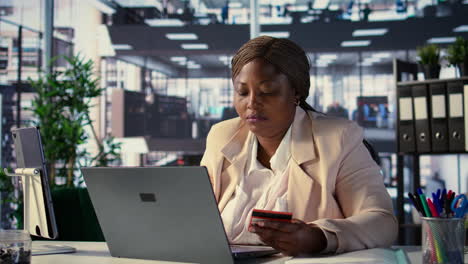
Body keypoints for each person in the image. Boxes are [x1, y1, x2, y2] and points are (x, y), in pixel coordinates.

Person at [200, 36, 397, 256]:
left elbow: (382, 222)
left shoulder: (338, 139)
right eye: (243, 92)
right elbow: (196, 214)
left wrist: (320, 237)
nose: (252, 103)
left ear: (296, 93)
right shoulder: (222, 136)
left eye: (267, 91)